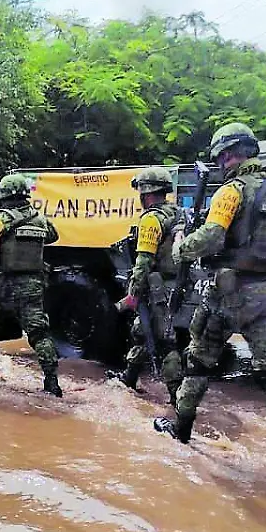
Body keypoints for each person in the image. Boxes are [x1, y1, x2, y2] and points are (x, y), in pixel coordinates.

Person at [153, 122, 266, 479]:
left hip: (229, 292)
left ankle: (182, 428)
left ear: (229, 154)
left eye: (221, 156)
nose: (220, 162)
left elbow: (212, 237)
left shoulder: (231, 191)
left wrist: (180, 245)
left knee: (200, 362)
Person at [0, 173, 63, 397]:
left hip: (2, 287)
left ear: (3, 195)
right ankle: (52, 384)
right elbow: (53, 236)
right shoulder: (40, 219)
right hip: (33, 287)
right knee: (40, 335)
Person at [107, 166, 186, 407]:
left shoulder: (151, 219)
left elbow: (143, 261)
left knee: (164, 342)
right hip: (173, 285)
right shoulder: (177, 213)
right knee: (142, 333)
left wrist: (132, 294)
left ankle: (178, 398)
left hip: (156, 288)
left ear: (146, 193)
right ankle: (129, 378)